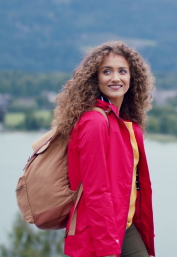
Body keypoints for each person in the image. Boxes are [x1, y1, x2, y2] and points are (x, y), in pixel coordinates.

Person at [52, 41, 155, 257]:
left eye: (122, 71)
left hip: (124, 227)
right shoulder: (95, 122)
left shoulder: (126, 124)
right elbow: (96, 190)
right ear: (95, 78)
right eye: (106, 71)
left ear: (132, 78)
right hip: (99, 232)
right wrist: (107, 249)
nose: (115, 78)